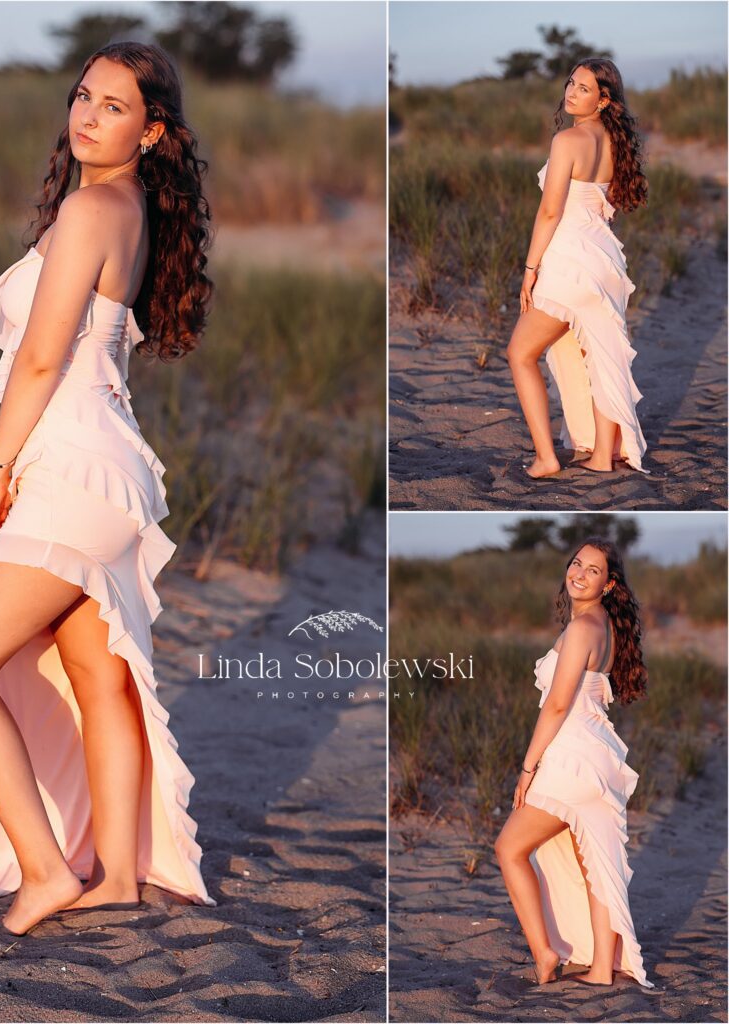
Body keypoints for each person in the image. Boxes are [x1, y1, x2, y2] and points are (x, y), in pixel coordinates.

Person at [0, 41, 216, 937]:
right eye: (83, 97)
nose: (87, 116)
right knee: (97, 673)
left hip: (70, 465)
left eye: (114, 107)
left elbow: (45, 357)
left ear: (152, 129)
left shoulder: (94, 207)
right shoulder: (124, 208)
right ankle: (118, 877)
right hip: (107, 463)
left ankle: (48, 872)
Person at [494, 538, 654, 989]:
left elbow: (559, 704)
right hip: (596, 755)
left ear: (609, 584)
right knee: (594, 865)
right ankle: (602, 969)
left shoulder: (583, 628)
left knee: (509, 849)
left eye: (593, 570)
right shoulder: (604, 625)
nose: (580, 573)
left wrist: (528, 768)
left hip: (573, 756)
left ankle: (545, 953)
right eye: (576, 564)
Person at [506, 59, 650, 481]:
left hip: (571, 261)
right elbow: (605, 210)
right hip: (605, 259)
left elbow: (550, 212)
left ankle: (547, 458)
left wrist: (531, 268)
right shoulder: (614, 142)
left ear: (603, 99)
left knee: (520, 353)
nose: (571, 91)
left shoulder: (567, 140)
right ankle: (603, 456)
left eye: (584, 88)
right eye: (571, 82)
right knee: (600, 358)